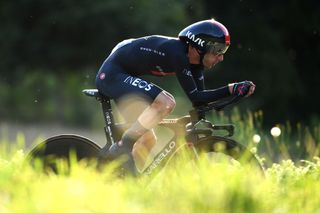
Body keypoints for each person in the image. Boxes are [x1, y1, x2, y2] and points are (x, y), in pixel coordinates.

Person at [95, 19, 255, 175]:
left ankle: (126, 183)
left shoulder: (196, 66)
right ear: (199, 46)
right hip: (111, 74)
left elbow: (199, 101)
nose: (221, 57)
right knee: (166, 102)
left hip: (123, 73)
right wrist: (231, 89)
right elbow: (195, 95)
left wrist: (233, 95)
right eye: (218, 50)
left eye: (224, 51)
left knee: (147, 139)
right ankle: (123, 145)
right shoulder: (178, 53)